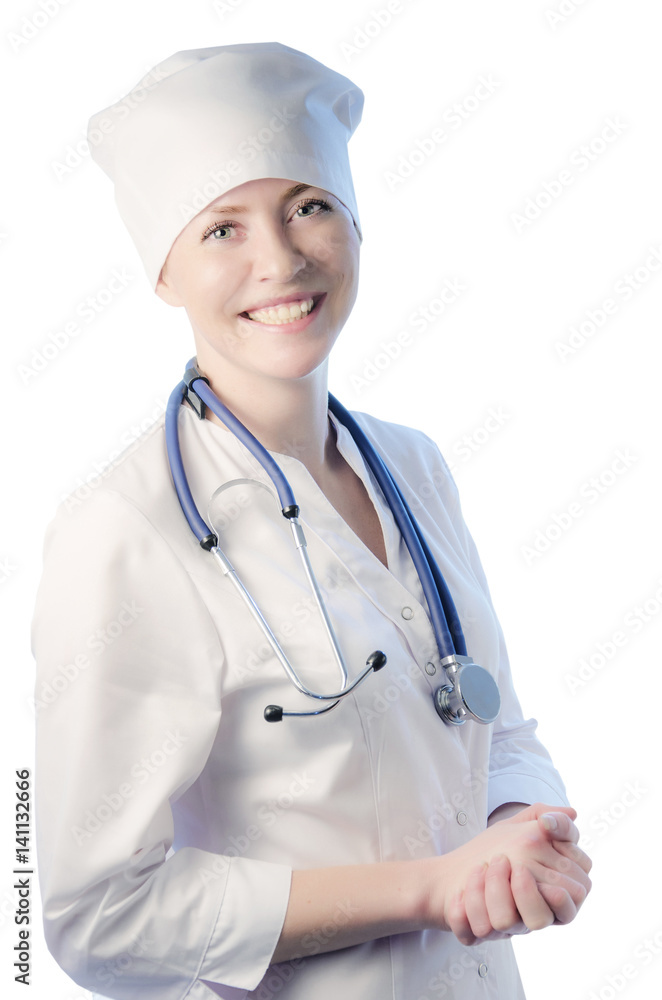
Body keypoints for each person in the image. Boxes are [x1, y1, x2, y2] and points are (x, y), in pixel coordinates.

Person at [32, 42, 591, 1000]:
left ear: (356, 223)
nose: (282, 259)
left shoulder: (411, 467)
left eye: (309, 206)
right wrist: (427, 888)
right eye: (221, 230)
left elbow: (488, 723)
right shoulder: (124, 530)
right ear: (162, 273)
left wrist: (523, 829)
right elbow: (97, 917)